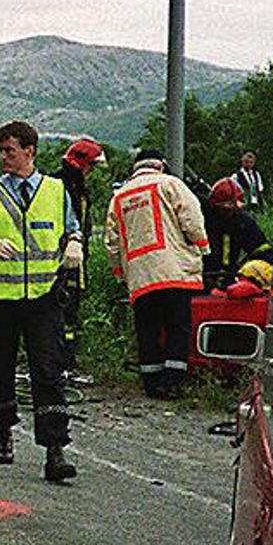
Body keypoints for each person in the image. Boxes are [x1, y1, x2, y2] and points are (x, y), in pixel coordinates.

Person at [0, 120, 81, 484]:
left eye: (10, 151)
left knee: (47, 371)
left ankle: (55, 450)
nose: (3, 157)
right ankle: (3, 433)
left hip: (43, 297)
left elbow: (71, 225)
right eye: (0, 150)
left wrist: (75, 243)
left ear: (29, 151)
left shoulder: (55, 189)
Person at [105, 151, 209, 399]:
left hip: (140, 276)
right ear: (160, 165)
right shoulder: (170, 184)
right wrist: (201, 245)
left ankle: (150, 381)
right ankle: (172, 381)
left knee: (147, 329)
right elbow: (192, 217)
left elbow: (111, 241)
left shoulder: (119, 197)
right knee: (177, 325)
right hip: (173, 270)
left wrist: (121, 272)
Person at [55, 138, 107, 379]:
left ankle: (66, 361)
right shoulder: (60, 187)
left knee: (70, 311)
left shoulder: (77, 188)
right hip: (60, 262)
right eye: (91, 166)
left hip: (75, 259)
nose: (92, 171)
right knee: (62, 311)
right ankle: (60, 363)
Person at [201, 177, 272, 290]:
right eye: (223, 209)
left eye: (233, 209)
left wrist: (250, 273)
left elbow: (262, 250)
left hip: (232, 282)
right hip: (200, 281)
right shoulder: (201, 218)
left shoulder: (243, 222)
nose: (228, 213)